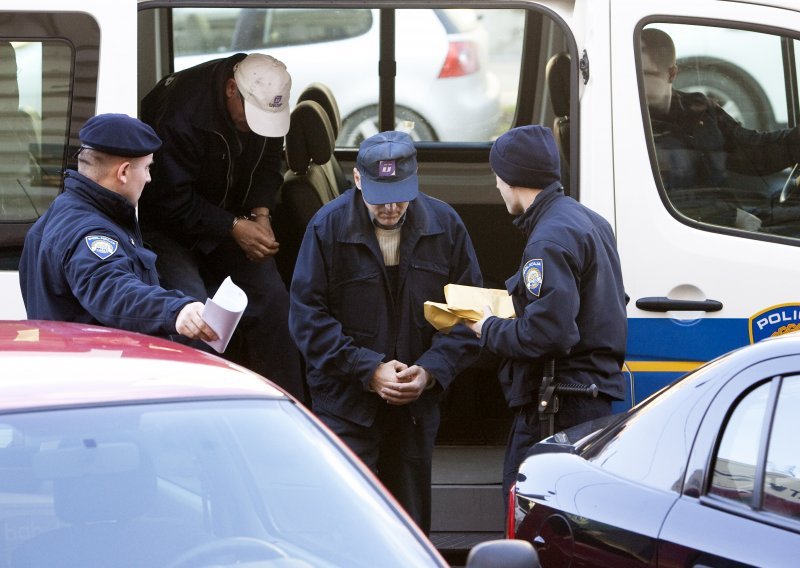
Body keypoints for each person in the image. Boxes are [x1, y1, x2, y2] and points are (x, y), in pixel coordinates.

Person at [288, 130, 482, 534]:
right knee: (348, 524)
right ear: (357, 180)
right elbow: (307, 319)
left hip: (414, 408)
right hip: (345, 404)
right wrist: (367, 369)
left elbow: (470, 317)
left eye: (400, 194)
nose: (391, 207)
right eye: (379, 195)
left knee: (409, 528)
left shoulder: (446, 227)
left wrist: (429, 372)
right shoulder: (327, 228)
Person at [464, 125, 628, 505]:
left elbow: (549, 333)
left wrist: (488, 328)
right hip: (587, 399)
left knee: (528, 513)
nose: (496, 188)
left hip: (558, 407)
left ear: (512, 177)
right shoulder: (589, 221)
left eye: (497, 178)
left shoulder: (548, 240)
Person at [138, 53, 304, 401]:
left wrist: (261, 216)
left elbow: (270, 160)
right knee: (197, 314)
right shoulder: (180, 115)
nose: (258, 125)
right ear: (232, 88)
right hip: (167, 229)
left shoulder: (266, 108)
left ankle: (289, 411)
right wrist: (233, 227)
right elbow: (167, 199)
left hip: (231, 220)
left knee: (274, 303)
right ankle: (208, 412)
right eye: (251, 117)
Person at [19, 113, 218, 343]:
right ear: (123, 173)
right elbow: (114, 288)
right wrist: (176, 310)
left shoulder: (63, 211)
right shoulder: (91, 232)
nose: (149, 178)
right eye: (146, 169)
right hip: (98, 371)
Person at [641, 27, 800, 226]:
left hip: (727, 217)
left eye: (647, 74)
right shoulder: (631, 123)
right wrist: (731, 217)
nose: (639, 82)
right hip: (696, 226)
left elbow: (752, 150)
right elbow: (655, 199)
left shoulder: (700, 110)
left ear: (671, 74)